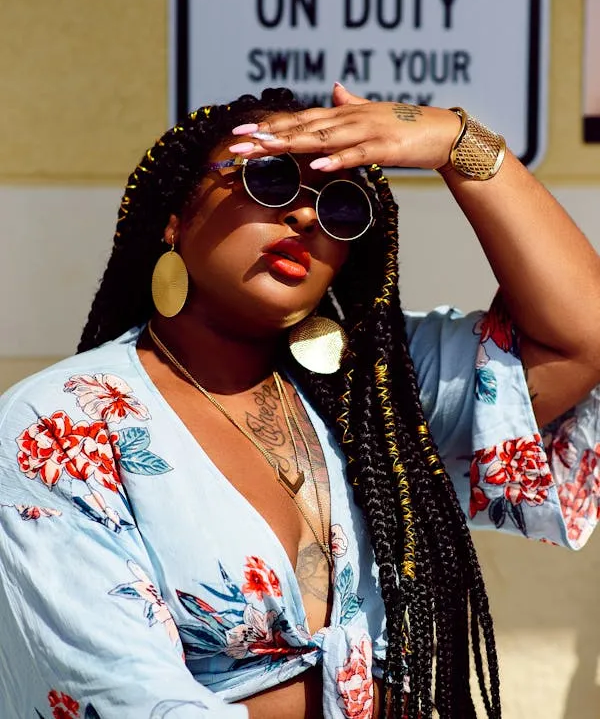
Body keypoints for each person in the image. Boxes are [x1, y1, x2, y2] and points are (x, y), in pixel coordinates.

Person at [0, 84, 599, 719]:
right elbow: (123, 700)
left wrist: (460, 144)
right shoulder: (62, 427)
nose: (307, 217)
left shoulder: (378, 398)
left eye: (341, 208)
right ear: (175, 215)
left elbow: (578, 341)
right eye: (269, 178)